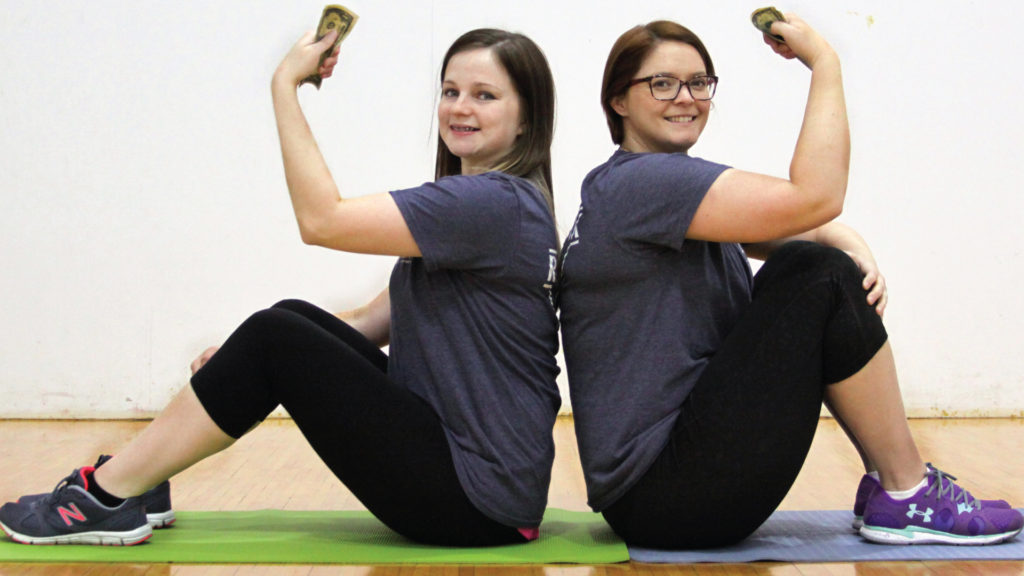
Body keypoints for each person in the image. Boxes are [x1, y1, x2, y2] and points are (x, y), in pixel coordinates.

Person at [0, 26, 561, 547]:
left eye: (485, 95)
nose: (460, 107)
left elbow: (321, 220)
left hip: (474, 500)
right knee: (287, 320)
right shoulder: (489, 211)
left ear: (526, 120)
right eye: (450, 90)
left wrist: (285, 86)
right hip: (474, 479)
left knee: (276, 335)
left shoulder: (491, 205)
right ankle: (137, 480)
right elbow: (370, 322)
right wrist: (242, 362)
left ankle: (100, 497)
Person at [556, 15, 1023, 548]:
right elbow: (815, 197)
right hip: (668, 496)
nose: (685, 97)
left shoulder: (649, 194)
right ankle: (906, 488)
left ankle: (893, 488)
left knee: (814, 263)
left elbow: (804, 225)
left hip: (662, 493)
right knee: (814, 275)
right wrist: (824, 62)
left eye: (699, 82)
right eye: (662, 83)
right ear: (618, 101)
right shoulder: (645, 183)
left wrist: (845, 241)